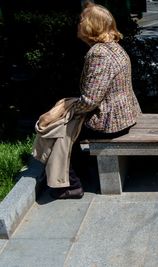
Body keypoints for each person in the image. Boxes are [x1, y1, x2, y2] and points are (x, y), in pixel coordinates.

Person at [51, 2, 141, 199]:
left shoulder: (98, 53)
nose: (79, 24)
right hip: (125, 115)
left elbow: (91, 100)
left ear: (91, 26)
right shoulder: (114, 47)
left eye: (82, 21)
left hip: (110, 122)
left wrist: (69, 109)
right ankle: (80, 170)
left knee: (60, 130)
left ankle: (72, 185)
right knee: (69, 126)